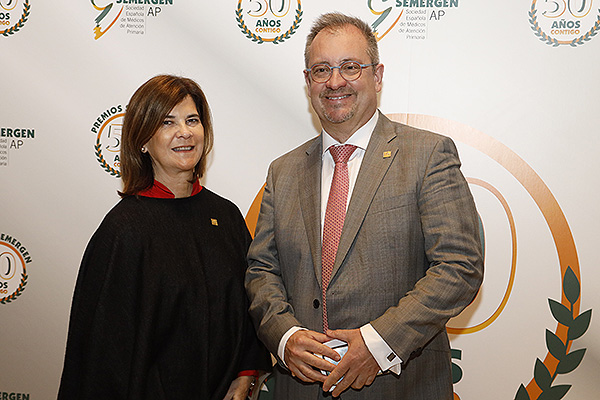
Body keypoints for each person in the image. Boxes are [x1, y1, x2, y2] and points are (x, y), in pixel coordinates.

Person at [245, 12, 483, 399]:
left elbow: (460, 266)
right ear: (308, 83)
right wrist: (284, 337)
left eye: (350, 67)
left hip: (397, 384)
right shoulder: (282, 171)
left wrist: (378, 343)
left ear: (377, 75)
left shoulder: (428, 154)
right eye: (321, 69)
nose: (335, 81)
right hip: (301, 387)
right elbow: (261, 270)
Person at [58, 75, 271, 400]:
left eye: (192, 120)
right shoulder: (124, 230)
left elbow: (250, 306)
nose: (184, 132)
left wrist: (245, 376)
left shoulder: (226, 216)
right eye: (167, 122)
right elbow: (102, 357)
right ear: (143, 140)